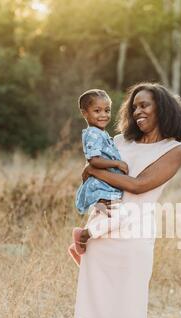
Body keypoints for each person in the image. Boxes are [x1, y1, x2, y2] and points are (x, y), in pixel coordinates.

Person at [75, 82, 181, 318]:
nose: (138, 111)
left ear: (163, 109)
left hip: (136, 235)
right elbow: (88, 173)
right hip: (102, 230)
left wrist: (98, 170)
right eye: (134, 106)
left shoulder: (174, 149)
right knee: (102, 314)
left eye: (146, 106)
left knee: (132, 315)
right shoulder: (118, 142)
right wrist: (88, 227)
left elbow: (140, 185)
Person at [68, 89, 129, 265]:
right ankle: (83, 236)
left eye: (107, 110)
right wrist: (116, 164)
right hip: (102, 188)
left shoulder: (100, 133)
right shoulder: (93, 134)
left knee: (105, 219)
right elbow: (93, 159)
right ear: (84, 113)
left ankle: (83, 250)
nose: (103, 115)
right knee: (119, 219)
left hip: (106, 186)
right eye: (97, 111)